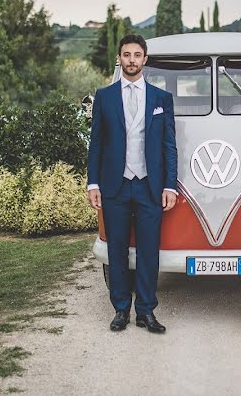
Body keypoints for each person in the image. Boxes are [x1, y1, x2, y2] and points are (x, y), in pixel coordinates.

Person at [87, 34, 178, 333]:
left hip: (149, 186)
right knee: (117, 252)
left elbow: (169, 146)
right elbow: (96, 144)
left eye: (137, 55)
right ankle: (120, 310)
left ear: (145, 59)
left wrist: (169, 185)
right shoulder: (105, 96)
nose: (131, 60)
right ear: (119, 58)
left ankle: (146, 312)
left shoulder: (161, 99)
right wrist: (93, 184)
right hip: (116, 185)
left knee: (149, 251)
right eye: (126, 54)